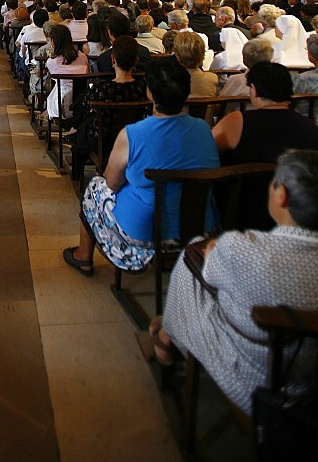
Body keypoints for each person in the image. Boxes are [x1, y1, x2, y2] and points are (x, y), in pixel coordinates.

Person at [148, 150, 318, 415]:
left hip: (254, 376)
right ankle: (166, 333)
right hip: (308, 377)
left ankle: (165, 338)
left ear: (281, 195)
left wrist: (221, 247)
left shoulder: (246, 250)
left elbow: (208, 271)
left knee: (191, 253)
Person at [62, 58, 219, 276]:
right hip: (199, 228)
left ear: (151, 93)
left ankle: (83, 256)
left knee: (95, 187)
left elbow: (112, 183)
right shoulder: (203, 128)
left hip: (144, 231)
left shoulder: (133, 135)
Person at [213, 61, 318, 227]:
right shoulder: (309, 127)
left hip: (240, 212)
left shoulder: (237, 122)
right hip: (297, 216)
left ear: (254, 89)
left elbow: (206, 151)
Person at [45, 22, 89, 120]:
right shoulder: (82, 56)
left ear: (53, 42)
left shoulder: (52, 62)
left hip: (62, 107)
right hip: (83, 104)